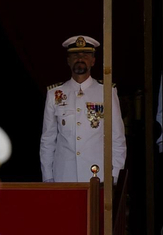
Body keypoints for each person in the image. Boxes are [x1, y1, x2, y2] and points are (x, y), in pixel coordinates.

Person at [38, 35, 125, 184]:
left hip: (98, 176)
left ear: (93, 61)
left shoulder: (106, 92)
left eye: (85, 55)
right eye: (75, 55)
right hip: (64, 176)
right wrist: (48, 177)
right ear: (68, 60)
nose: (80, 58)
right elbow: (48, 139)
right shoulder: (55, 94)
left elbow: (117, 138)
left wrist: (114, 175)